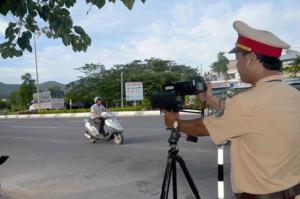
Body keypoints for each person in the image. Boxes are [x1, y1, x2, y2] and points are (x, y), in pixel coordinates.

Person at [163, 21, 300, 199]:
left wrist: (175, 123)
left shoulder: (245, 103)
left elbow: (205, 127)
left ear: (251, 58)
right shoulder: (293, 95)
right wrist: (211, 100)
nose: (236, 65)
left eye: (238, 59)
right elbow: (249, 120)